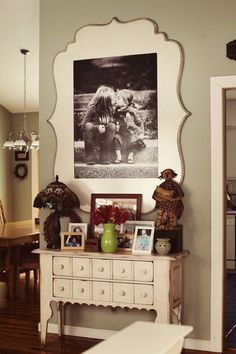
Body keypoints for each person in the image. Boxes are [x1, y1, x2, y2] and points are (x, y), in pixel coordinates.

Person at [81, 86, 117, 165]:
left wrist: (115, 125)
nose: (113, 100)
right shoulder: (92, 108)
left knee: (112, 126)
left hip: (106, 138)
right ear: (105, 100)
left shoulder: (110, 110)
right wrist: (97, 128)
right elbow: (83, 125)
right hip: (93, 136)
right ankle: (90, 156)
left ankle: (105, 155)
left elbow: (113, 122)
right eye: (111, 98)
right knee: (88, 125)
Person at [113, 89, 145, 164]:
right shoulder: (116, 112)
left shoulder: (132, 112)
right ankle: (119, 156)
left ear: (125, 102)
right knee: (116, 139)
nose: (116, 100)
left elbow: (139, 122)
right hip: (120, 133)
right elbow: (113, 121)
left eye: (118, 98)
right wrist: (115, 125)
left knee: (135, 141)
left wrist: (141, 132)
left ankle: (130, 156)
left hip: (131, 133)